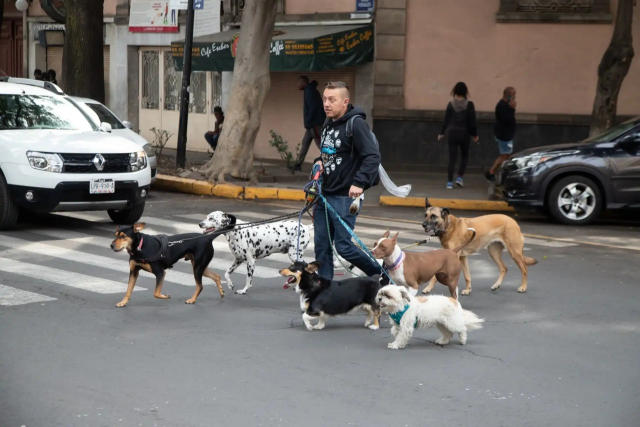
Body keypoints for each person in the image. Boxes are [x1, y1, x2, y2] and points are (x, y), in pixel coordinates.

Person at [312, 81, 382, 281]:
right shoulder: (328, 122)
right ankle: (325, 289)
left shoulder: (356, 124)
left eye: (332, 100)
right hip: (324, 195)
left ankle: (380, 275)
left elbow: (372, 156)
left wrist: (359, 183)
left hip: (345, 197)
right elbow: (328, 153)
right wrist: (319, 163)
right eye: (325, 99)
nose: (326, 104)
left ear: (345, 102)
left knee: (344, 247)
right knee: (322, 246)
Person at [437, 82, 479, 189]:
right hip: (464, 134)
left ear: (455, 91)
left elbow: (446, 120)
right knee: (464, 156)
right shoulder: (470, 104)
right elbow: (472, 121)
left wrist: (441, 133)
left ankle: (449, 182)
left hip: (452, 133)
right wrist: (474, 135)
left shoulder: (450, 104)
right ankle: (459, 178)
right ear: (465, 92)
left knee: (452, 158)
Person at [291, 75, 325, 172]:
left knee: (321, 144)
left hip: (315, 124)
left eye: (299, 82)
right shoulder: (309, 90)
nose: (297, 85)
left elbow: (313, 108)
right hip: (311, 125)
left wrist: (309, 122)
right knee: (305, 143)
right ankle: (298, 164)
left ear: (304, 82)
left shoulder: (310, 91)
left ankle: (331, 163)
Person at [486, 86, 517, 181]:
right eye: (513, 95)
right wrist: (512, 109)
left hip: (506, 134)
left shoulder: (504, 105)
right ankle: (491, 172)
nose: (515, 97)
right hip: (504, 135)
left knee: (506, 155)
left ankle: (499, 173)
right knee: (504, 155)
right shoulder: (502, 105)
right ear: (509, 96)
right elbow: (507, 120)